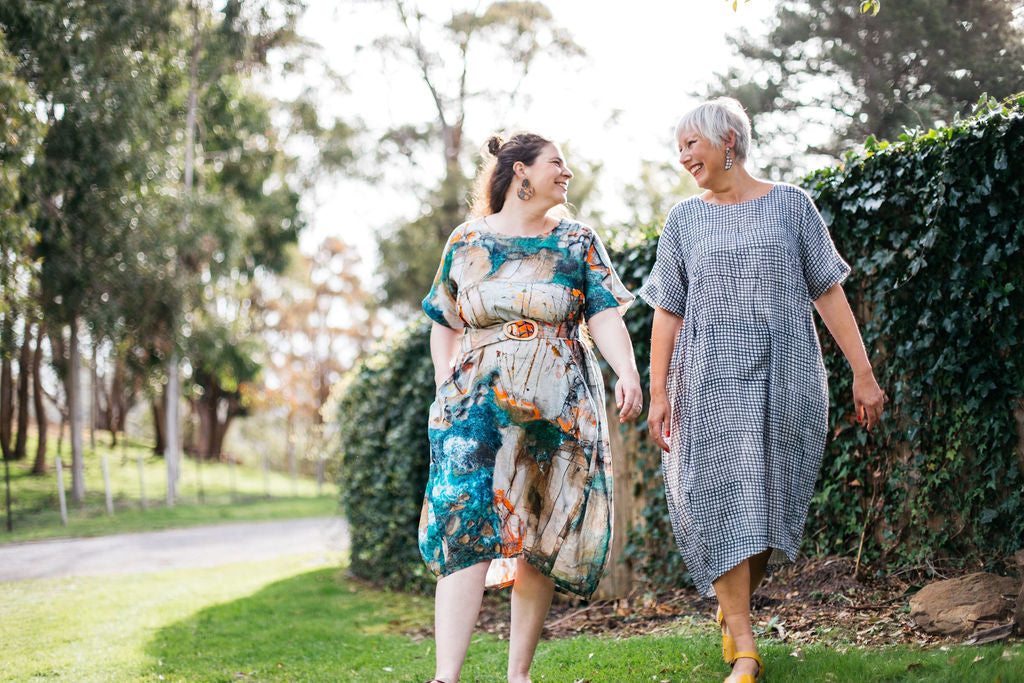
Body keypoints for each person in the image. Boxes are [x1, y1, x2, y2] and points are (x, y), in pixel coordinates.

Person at [640, 98, 885, 683]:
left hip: (787, 375)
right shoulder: (684, 220)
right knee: (722, 500)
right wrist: (658, 390)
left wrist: (863, 371)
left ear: (727, 139)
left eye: (690, 144)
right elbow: (667, 312)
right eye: (678, 148)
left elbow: (828, 290)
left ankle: (734, 614)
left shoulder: (792, 205)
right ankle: (746, 648)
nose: (682, 156)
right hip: (707, 382)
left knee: (769, 508)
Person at [420, 132, 642, 683]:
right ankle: (447, 676)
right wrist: (445, 384)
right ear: (520, 172)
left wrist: (629, 373)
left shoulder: (577, 241)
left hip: (558, 406)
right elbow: (442, 322)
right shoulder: (467, 241)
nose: (567, 174)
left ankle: (517, 674)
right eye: (556, 164)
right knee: (464, 524)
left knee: (539, 532)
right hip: (477, 407)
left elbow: (606, 316)